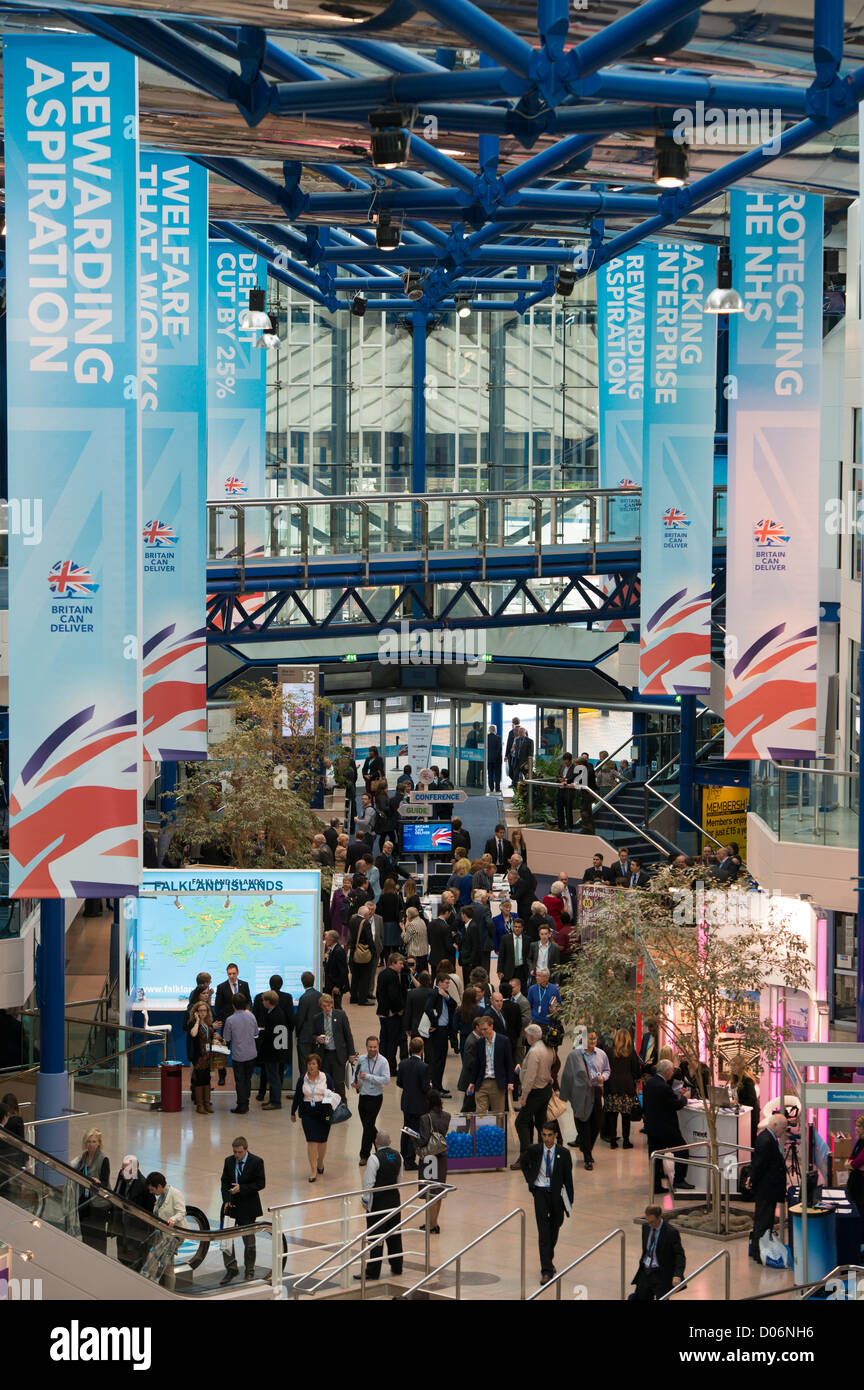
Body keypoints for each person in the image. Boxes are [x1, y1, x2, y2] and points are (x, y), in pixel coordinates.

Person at [521, 1123, 574, 1285]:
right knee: (543, 1232)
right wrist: (531, 1183)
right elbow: (524, 1163)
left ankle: (548, 1261)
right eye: (544, 1135)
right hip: (541, 1193)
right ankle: (546, 1270)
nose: (547, 1139)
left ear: (556, 1135)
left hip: (557, 1195)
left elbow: (568, 1179)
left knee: (555, 1228)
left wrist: (569, 1201)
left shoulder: (564, 1154)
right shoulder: (535, 1150)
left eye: (550, 1135)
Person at [559, 1029, 609, 1171]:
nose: (592, 1041)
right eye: (589, 1038)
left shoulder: (601, 1054)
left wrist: (602, 1078)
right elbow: (567, 1076)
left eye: (594, 1038)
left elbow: (607, 1070)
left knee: (596, 1124)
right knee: (583, 1124)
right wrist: (566, 1096)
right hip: (580, 1094)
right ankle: (587, 1157)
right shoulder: (575, 1056)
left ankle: (586, 1147)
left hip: (596, 1091)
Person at [219, 1137, 265, 1284]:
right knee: (226, 1241)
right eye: (234, 1152)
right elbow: (224, 1182)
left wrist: (242, 1188)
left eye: (239, 1152)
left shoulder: (256, 1162)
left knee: (249, 1242)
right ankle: (231, 1268)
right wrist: (226, 1199)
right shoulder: (229, 1161)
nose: (236, 1155)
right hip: (230, 1207)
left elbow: (260, 1183)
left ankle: (249, 1270)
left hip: (248, 1207)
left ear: (246, 1149)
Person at [642, 1059, 693, 1193]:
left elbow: (662, 1101)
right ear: (666, 1071)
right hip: (666, 1128)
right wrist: (685, 1098)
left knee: (655, 1157)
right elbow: (675, 1105)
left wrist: (676, 1095)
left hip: (652, 1127)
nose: (672, 1073)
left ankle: (656, 1185)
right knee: (682, 1150)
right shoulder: (663, 1087)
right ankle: (679, 1180)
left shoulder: (650, 1082)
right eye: (671, 1070)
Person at [358, 1131, 403, 1282]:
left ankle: (373, 1271)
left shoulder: (374, 1158)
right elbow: (399, 1180)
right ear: (390, 1141)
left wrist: (365, 1202)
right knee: (395, 1234)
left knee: (375, 1237)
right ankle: (397, 1266)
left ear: (376, 1143)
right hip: (394, 1200)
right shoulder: (398, 1156)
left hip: (378, 1202)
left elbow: (368, 1183)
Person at [512, 1024, 555, 1164]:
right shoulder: (548, 1048)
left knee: (521, 1122)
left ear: (531, 1037)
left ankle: (526, 1156)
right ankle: (544, 1152)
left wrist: (524, 1096)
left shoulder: (534, 1051)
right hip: (545, 1089)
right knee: (541, 1122)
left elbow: (530, 1077)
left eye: (526, 1035)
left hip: (535, 1091)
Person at [291, 1053, 336, 1182]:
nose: (311, 1066)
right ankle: (313, 1170)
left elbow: (332, 1092)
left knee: (322, 1140)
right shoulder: (302, 1079)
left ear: (318, 1065)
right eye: (309, 1064)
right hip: (307, 1113)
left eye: (314, 1064)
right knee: (311, 1141)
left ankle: (320, 1162)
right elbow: (298, 1096)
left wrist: (328, 1098)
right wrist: (293, 1112)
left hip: (323, 1111)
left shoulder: (326, 1077)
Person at [750, 1112, 788, 1262]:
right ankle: (759, 1253)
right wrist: (752, 1179)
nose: (784, 1131)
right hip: (766, 1189)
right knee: (763, 1221)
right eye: (783, 1128)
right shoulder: (766, 1140)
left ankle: (761, 1250)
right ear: (775, 1125)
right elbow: (759, 1164)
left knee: (766, 1220)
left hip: (769, 1189)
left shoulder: (768, 1137)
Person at [629, 1204, 686, 1300]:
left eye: (653, 1222)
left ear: (660, 1217)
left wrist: (677, 1274)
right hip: (646, 1271)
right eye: (648, 1221)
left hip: (661, 1274)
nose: (651, 1225)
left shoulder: (671, 1232)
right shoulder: (646, 1227)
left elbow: (679, 1255)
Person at [69, 1127, 111, 1253]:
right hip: (84, 1200)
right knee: (85, 1232)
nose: (91, 1144)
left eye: (94, 1141)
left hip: (98, 1203)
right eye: (88, 1141)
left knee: (98, 1235)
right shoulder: (83, 1157)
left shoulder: (103, 1159)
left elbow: (105, 1181)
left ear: (99, 1143)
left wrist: (99, 1183)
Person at [311, 993, 357, 1104]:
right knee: (326, 1082)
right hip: (324, 1054)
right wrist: (317, 1038)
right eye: (324, 1006)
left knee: (339, 1082)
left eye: (328, 1005)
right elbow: (312, 1034)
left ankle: (342, 1105)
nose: (327, 1008)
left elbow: (348, 1035)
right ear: (321, 1006)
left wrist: (352, 1054)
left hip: (338, 1054)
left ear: (332, 1005)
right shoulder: (317, 1018)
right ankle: (328, 1105)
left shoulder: (340, 1015)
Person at [143, 1173, 186, 1290]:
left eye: (152, 1189)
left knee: (152, 1257)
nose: (151, 1192)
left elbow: (181, 1212)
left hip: (174, 1235)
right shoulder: (161, 1197)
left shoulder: (175, 1194)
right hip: (164, 1235)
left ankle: (153, 1287)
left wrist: (173, 1219)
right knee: (168, 1266)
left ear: (160, 1186)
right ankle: (168, 1291)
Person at [353, 1036, 391, 1166]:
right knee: (367, 1126)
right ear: (366, 1046)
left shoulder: (383, 1061)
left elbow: (386, 1080)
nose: (372, 1049)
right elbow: (356, 1074)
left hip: (375, 1097)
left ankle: (364, 1155)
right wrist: (355, 1082)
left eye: (375, 1047)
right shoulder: (362, 1059)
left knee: (368, 1126)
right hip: (363, 1096)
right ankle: (381, 1145)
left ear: (378, 1047)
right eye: (370, 1047)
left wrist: (369, 1077)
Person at [112, 1155, 154, 1271]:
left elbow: (150, 1214)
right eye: (122, 1169)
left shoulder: (145, 1187)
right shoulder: (122, 1178)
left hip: (136, 1234)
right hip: (122, 1228)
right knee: (122, 1260)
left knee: (135, 1266)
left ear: (133, 1171)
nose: (121, 1173)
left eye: (124, 1170)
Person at [466, 1014, 514, 1115]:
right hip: (482, 1082)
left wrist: (510, 1082)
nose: (483, 1032)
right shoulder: (480, 1043)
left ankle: (497, 1131)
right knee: (480, 1115)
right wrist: (472, 1083)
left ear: (491, 1026)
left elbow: (509, 1062)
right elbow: (477, 1064)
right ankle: (480, 1131)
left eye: (485, 1029)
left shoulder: (503, 1041)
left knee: (498, 1115)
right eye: (481, 1030)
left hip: (497, 1083)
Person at [416, 1092, 450, 1232]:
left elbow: (423, 1140)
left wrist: (414, 1138)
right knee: (438, 1191)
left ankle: (430, 1224)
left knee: (429, 1191)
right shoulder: (447, 1116)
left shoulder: (425, 1118)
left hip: (429, 1158)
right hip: (441, 1157)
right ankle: (434, 1223)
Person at [213, 963, 251, 1088]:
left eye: (234, 973)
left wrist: (247, 1010)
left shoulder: (244, 985)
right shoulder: (221, 987)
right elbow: (218, 1007)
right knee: (223, 1050)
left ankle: (243, 1076)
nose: (232, 976)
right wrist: (222, 1021)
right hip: (227, 1023)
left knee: (242, 1049)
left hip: (243, 1022)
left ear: (238, 973)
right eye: (229, 974)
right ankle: (222, 1076)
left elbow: (249, 1001)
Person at [396, 1036, 431, 1170]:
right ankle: (410, 1160)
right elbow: (425, 1088)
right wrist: (430, 1085)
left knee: (406, 1129)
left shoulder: (403, 1064)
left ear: (410, 1049)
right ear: (422, 1049)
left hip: (406, 1102)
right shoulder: (424, 1067)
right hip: (419, 1104)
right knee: (414, 1132)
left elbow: (399, 1083)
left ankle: (403, 1155)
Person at [604, 1028, 641, 1149]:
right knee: (626, 1116)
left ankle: (613, 1141)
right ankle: (626, 1141)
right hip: (627, 1088)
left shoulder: (609, 1051)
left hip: (611, 1087)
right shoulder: (631, 1053)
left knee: (612, 1116)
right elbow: (636, 1071)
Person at [223, 992, 259, 1115]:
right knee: (247, 1079)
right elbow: (256, 1033)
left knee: (239, 1080)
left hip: (238, 1055)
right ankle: (246, 1102)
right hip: (251, 1053)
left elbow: (227, 1038)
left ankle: (241, 1105)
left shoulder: (230, 1020)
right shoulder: (252, 1016)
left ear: (233, 1005)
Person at [257, 991, 290, 1110]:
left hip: (273, 1051)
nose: (262, 1002)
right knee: (272, 1076)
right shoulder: (275, 1012)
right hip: (274, 1050)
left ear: (268, 1001)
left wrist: (261, 1033)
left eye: (264, 1000)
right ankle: (272, 1099)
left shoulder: (275, 1015)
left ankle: (276, 1101)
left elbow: (272, 1034)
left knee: (273, 1077)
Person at [186, 999, 215, 1114]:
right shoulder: (193, 1023)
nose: (203, 1013)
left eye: (205, 1010)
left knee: (207, 1079)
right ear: (196, 1012)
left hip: (207, 1056)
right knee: (199, 1080)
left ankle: (207, 1103)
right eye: (200, 1010)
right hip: (199, 1056)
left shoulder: (207, 1023)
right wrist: (197, 1020)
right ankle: (200, 1105)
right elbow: (193, 1034)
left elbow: (209, 1037)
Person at [347, 901, 377, 1004]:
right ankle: (362, 999)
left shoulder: (352, 920)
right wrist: (374, 952)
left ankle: (354, 997)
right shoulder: (366, 923)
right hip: (364, 953)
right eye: (368, 914)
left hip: (354, 951)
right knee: (365, 976)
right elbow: (369, 940)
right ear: (365, 914)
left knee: (355, 976)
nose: (370, 915)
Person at [728, 1053, 760, 1148]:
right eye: (731, 1065)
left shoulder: (747, 1080)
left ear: (740, 1066)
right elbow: (735, 1096)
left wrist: (739, 1103)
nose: (732, 1068)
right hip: (741, 1113)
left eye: (734, 1065)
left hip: (750, 1115)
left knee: (750, 1141)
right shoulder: (734, 1080)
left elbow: (752, 1100)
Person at [294, 972, 322, 1076]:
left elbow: (300, 1018)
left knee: (304, 1065)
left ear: (302, 982)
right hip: (317, 1036)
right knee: (316, 1065)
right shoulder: (320, 996)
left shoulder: (304, 998)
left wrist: (297, 1033)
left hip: (305, 1037)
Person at [844, 1113, 864, 1243]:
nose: (855, 1128)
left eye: (858, 1126)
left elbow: (856, 1163)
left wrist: (852, 1165)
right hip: (855, 1181)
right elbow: (851, 1161)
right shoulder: (860, 1142)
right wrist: (852, 1165)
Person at [497, 918, 528, 990]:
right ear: (512, 927)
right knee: (506, 991)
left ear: (522, 928)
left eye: (519, 927)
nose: (517, 929)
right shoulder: (505, 939)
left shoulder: (527, 939)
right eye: (515, 926)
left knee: (522, 991)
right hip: (508, 970)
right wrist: (499, 970)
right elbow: (501, 956)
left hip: (522, 970)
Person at [322, 929, 349, 1008]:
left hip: (335, 985)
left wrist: (338, 986)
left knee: (337, 1007)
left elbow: (343, 971)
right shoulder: (333, 949)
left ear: (331, 940)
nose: (325, 941)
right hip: (331, 984)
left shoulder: (338, 951)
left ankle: (341, 1020)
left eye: (326, 939)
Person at [402, 905, 429, 972]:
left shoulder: (412, 925)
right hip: (423, 952)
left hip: (414, 954)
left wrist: (403, 930)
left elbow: (405, 940)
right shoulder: (422, 921)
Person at [556, 751, 577, 831]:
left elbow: (574, 778)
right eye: (564, 762)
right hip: (560, 789)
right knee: (559, 809)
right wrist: (559, 778)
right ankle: (561, 826)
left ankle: (569, 826)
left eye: (567, 763)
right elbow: (557, 774)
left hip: (568, 791)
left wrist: (566, 780)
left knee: (568, 810)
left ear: (571, 760)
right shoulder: (562, 766)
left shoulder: (575, 767)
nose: (566, 764)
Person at [487, 724, 502, 793]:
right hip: (497, 760)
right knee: (497, 775)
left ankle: (491, 788)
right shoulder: (498, 738)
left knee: (490, 774)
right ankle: (497, 788)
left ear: (489, 730)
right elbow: (499, 750)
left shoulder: (486, 738)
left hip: (489, 759)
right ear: (495, 730)